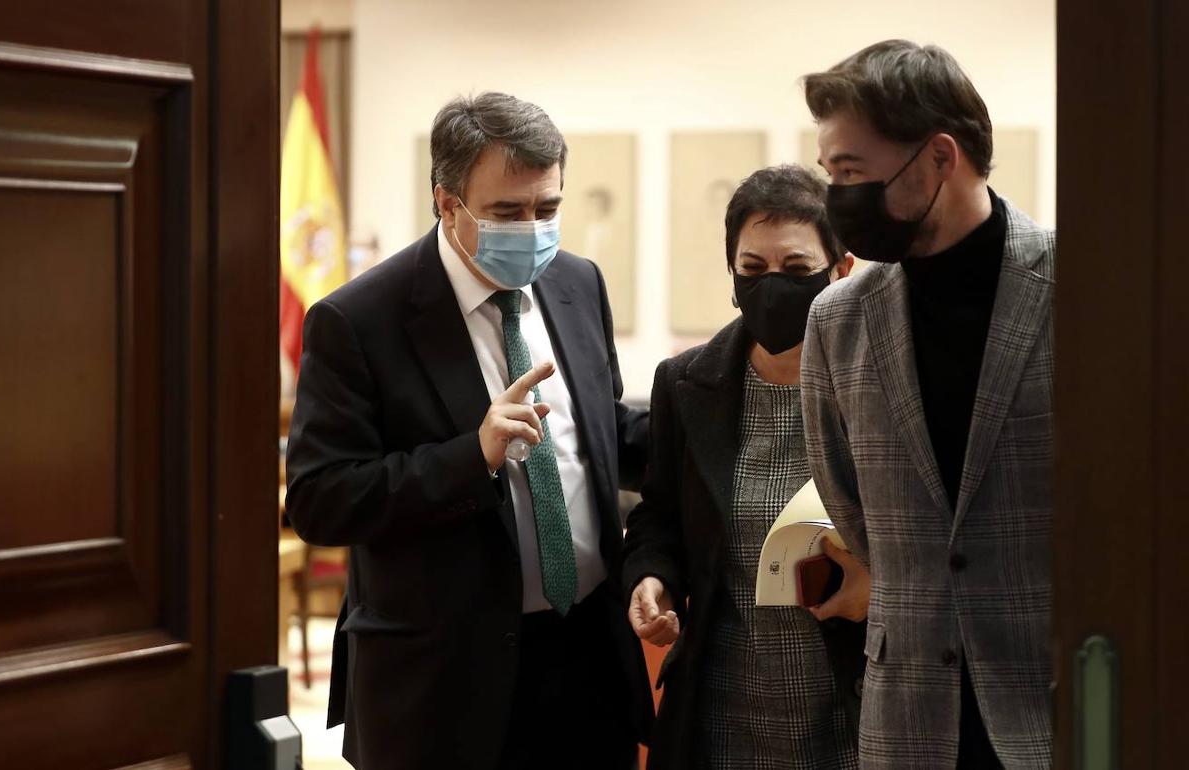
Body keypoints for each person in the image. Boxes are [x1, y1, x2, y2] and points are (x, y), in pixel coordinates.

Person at [286, 91, 653, 769]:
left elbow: (602, 427)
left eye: (548, 209)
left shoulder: (577, 283)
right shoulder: (360, 319)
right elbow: (319, 497)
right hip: (442, 686)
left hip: (586, 662)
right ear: (447, 203)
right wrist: (472, 457)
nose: (534, 229)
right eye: (508, 213)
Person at [800, 40, 1055, 769]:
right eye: (831, 172)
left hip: (1053, 699)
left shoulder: (1084, 284)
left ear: (940, 158)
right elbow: (846, 498)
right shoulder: (838, 319)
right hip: (907, 713)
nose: (837, 195)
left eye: (853, 171)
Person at [623, 165, 867, 770]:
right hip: (723, 708)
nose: (773, 289)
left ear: (842, 269)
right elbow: (661, 516)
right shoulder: (687, 383)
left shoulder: (879, 382)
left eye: (796, 270)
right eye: (753, 271)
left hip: (852, 703)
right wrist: (651, 577)